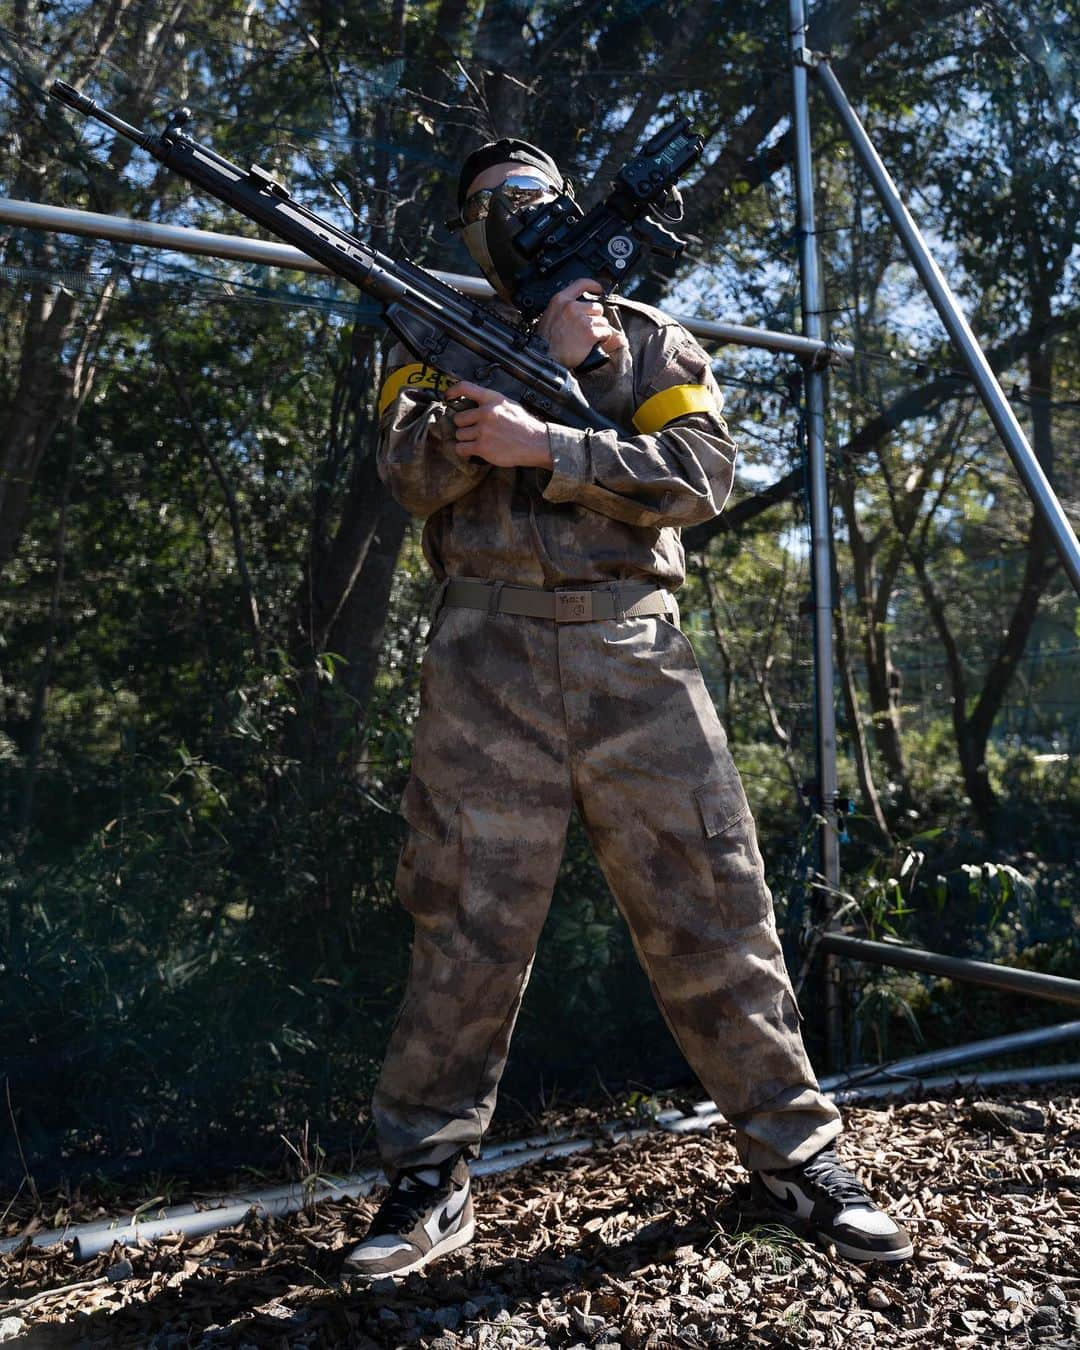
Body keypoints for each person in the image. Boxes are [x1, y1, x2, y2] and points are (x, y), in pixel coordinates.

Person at [342, 138, 912, 1280]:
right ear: (466, 231)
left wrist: (567, 405)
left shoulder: (645, 335)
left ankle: (799, 1159)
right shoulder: (426, 325)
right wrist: (501, 390)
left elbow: (702, 473)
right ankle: (426, 1183)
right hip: (486, 650)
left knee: (713, 901)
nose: (514, 212)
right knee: (466, 918)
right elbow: (412, 477)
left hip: (631, 644)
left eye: (533, 194)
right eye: (491, 202)